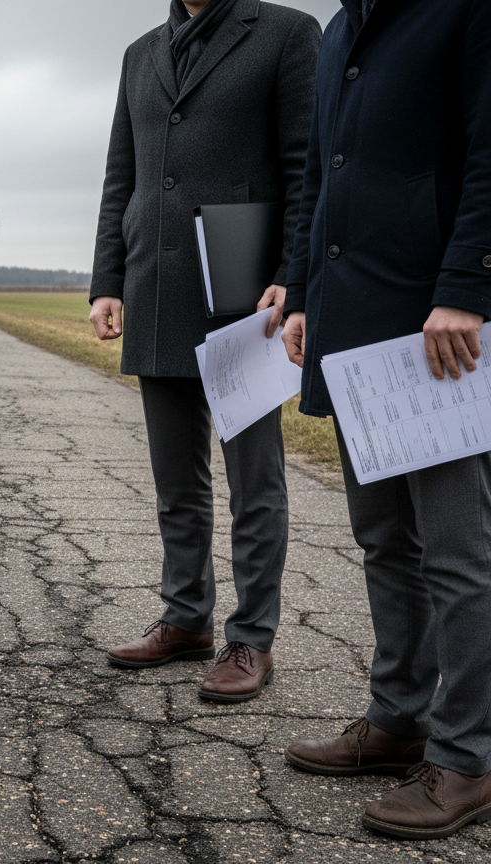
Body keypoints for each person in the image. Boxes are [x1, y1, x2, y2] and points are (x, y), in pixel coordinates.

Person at [281, 0, 491, 841]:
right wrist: (301, 294)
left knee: (459, 552)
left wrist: (468, 291)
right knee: (383, 540)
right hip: (356, 325)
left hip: (438, 326)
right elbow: (317, 178)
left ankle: (469, 758)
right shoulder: (340, 28)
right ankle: (398, 718)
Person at [88, 0, 320, 701]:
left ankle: (252, 637)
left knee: (255, 482)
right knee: (174, 483)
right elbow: (119, 178)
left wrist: (292, 272)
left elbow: (306, 169)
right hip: (156, 286)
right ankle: (185, 618)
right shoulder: (139, 53)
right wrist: (107, 279)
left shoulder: (285, 34)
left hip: (244, 297)